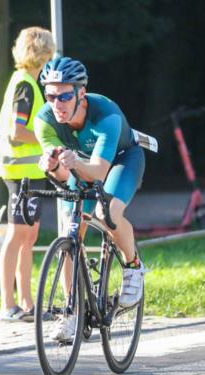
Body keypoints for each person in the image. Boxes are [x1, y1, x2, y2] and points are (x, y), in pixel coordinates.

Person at [33, 56, 147, 338]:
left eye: (64, 96)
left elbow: (98, 171)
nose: (57, 103)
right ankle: (71, 312)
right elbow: (62, 176)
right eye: (50, 95)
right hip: (79, 163)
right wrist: (52, 165)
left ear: (81, 93)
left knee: (106, 214)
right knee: (69, 235)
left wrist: (71, 163)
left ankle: (133, 267)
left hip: (121, 159)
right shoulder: (43, 120)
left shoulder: (105, 114)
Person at [0, 27, 56, 322]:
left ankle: (26, 304)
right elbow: (18, 132)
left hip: (29, 172)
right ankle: (7, 305)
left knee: (29, 236)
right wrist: (49, 139)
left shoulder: (26, 81)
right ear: (44, 52)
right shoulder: (25, 85)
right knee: (18, 236)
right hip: (20, 172)